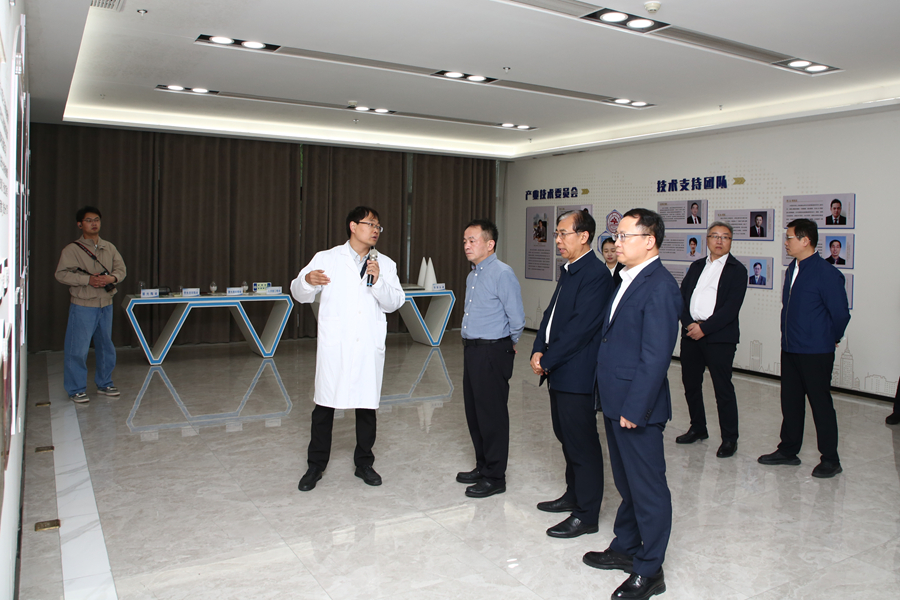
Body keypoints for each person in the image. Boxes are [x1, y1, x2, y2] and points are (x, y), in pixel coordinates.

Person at [582, 208, 681, 600]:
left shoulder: (660, 286)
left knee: (648, 488)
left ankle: (650, 569)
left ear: (649, 241)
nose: (616, 243)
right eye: (616, 236)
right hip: (615, 399)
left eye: (625, 236)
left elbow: (655, 357)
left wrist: (634, 409)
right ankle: (626, 547)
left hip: (636, 407)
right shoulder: (626, 277)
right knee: (626, 483)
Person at [292, 206, 405, 491]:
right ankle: (315, 465)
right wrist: (306, 281)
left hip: (367, 345)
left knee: (366, 407)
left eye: (378, 226)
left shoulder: (385, 264)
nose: (376, 230)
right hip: (336, 345)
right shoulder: (327, 258)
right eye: (370, 224)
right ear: (353, 226)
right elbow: (298, 293)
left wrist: (378, 281)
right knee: (324, 406)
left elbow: (395, 302)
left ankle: (364, 463)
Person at [531, 210, 613, 538]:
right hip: (559, 370)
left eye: (563, 233)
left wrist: (547, 359)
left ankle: (587, 514)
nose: (557, 240)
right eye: (556, 234)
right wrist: (538, 348)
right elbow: (550, 316)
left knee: (582, 444)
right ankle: (573, 494)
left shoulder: (596, 274)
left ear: (584, 236)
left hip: (577, 374)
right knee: (566, 437)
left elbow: (580, 329)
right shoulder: (569, 269)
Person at [758, 219, 850, 478]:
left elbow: (841, 314)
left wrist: (832, 337)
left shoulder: (827, 273)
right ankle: (788, 450)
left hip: (816, 351)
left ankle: (830, 459)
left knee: (820, 404)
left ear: (805, 240)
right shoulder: (792, 268)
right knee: (791, 402)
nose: (786, 242)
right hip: (791, 348)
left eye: (789, 238)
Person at [457, 219, 525, 498]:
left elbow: (517, 318)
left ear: (490, 244)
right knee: (475, 412)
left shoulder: (502, 273)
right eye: (464, 241)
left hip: (493, 351)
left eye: (472, 240)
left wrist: (507, 345)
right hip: (472, 350)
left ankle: (496, 477)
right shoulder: (472, 275)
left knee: (492, 415)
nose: (467, 245)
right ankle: (483, 466)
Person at [676, 222, 747, 458]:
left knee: (722, 388)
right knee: (691, 384)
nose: (719, 241)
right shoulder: (696, 266)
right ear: (707, 239)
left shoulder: (737, 270)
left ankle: (729, 439)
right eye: (715, 236)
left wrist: (704, 329)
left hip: (719, 337)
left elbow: (731, 309)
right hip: (691, 334)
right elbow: (681, 299)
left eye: (725, 237)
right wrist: (689, 324)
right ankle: (698, 427)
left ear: (731, 241)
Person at [55, 206, 126, 404]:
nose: (94, 224)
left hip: (106, 304)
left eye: (97, 220)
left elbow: (121, 269)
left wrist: (112, 278)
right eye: (89, 220)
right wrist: (88, 280)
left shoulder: (109, 247)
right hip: (83, 305)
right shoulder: (71, 249)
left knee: (106, 346)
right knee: (77, 349)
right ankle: (76, 389)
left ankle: (105, 383)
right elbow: (61, 274)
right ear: (80, 225)